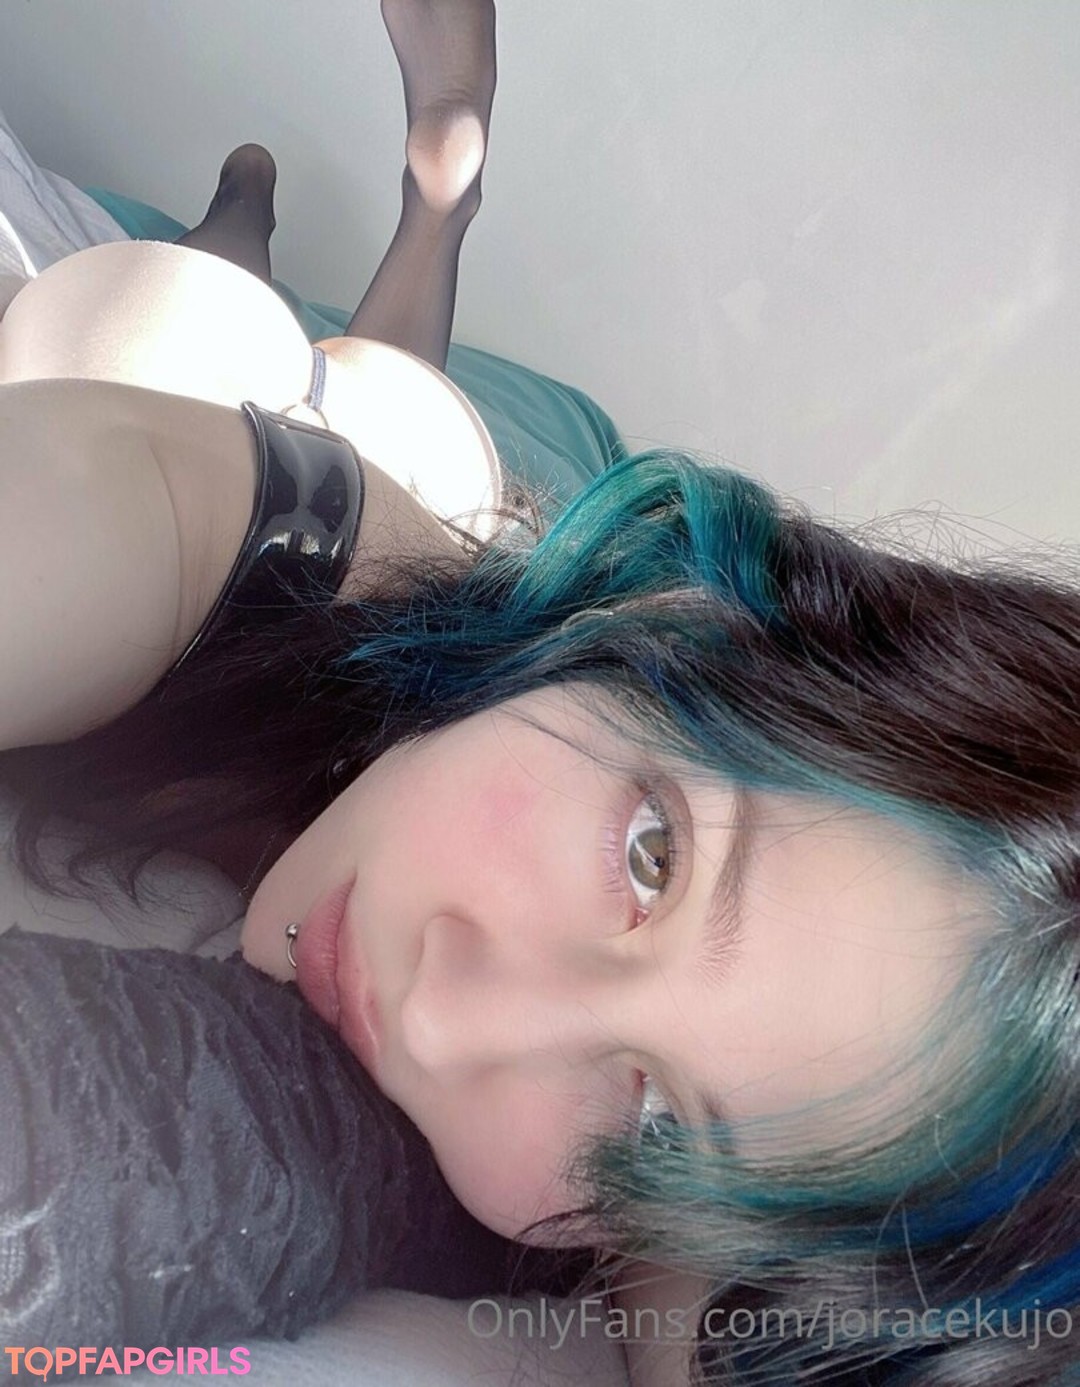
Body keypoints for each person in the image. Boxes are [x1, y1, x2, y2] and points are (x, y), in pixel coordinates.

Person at [2, 3, 1079, 1385]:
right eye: (653, 857)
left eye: (659, 1129)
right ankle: (426, 191)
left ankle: (400, 202)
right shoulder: (296, 556)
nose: (447, 1017)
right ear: (683, 633)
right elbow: (110, 502)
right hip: (340, 528)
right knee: (186, 338)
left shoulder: (668, 1257)